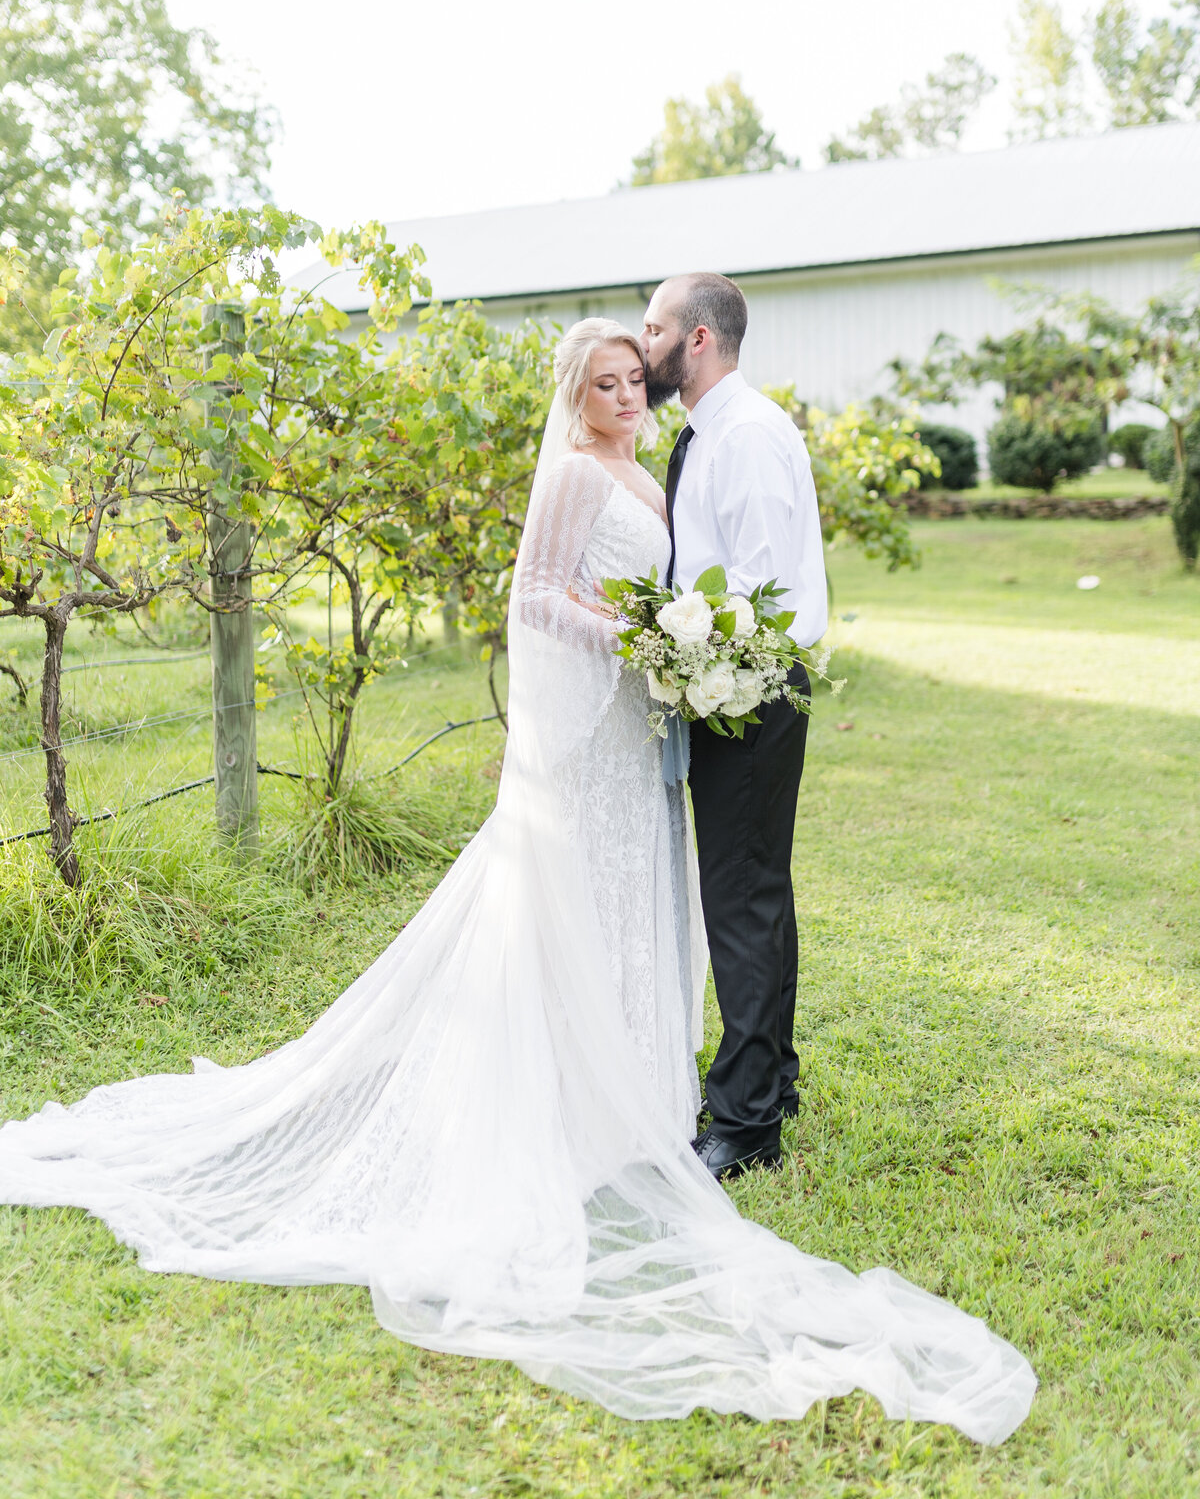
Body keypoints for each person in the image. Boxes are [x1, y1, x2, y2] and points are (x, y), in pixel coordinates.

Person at [0, 319, 1035, 1441]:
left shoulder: (645, 468)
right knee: (566, 915)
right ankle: (558, 1100)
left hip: (640, 746)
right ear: (576, 394)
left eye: (636, 379)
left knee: (630, 910)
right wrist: (634, 633)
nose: (628, 396)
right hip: (588, 742)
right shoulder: (574, 477)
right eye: (607, 383)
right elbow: (535, 597)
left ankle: (631, 1098)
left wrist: (671, 639)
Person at [641, 271, 825, 1180]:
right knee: (758, 889)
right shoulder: (708, 435)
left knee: (740, 899)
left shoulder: (745, 436)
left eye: (655, 328)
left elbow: (763, 591)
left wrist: (705, 673)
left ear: (699, 340)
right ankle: (774, 1077)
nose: (645, 347)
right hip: (731, 680)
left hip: (746, 686)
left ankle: (746, 1122)